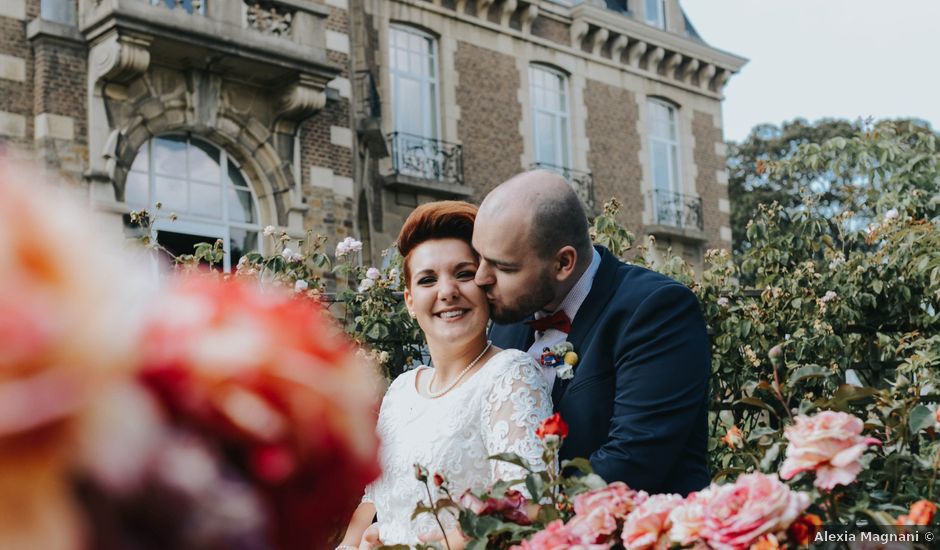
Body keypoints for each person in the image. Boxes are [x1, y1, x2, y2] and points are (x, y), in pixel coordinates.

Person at [472, 170, 711, 496]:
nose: (480, 278)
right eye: (479, 258)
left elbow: (632, 460)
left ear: (563, 263)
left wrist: (513, 513)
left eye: (503, 267)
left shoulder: (656, 310)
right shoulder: (508, 318)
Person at [338, 201, 552, 549]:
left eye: (464, 274)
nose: (447, 291)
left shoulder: (510, 374)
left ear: (485, 285)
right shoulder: (403, 388)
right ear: (409, 300)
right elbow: (374, 500)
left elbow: (526, 505)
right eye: (427, 279)